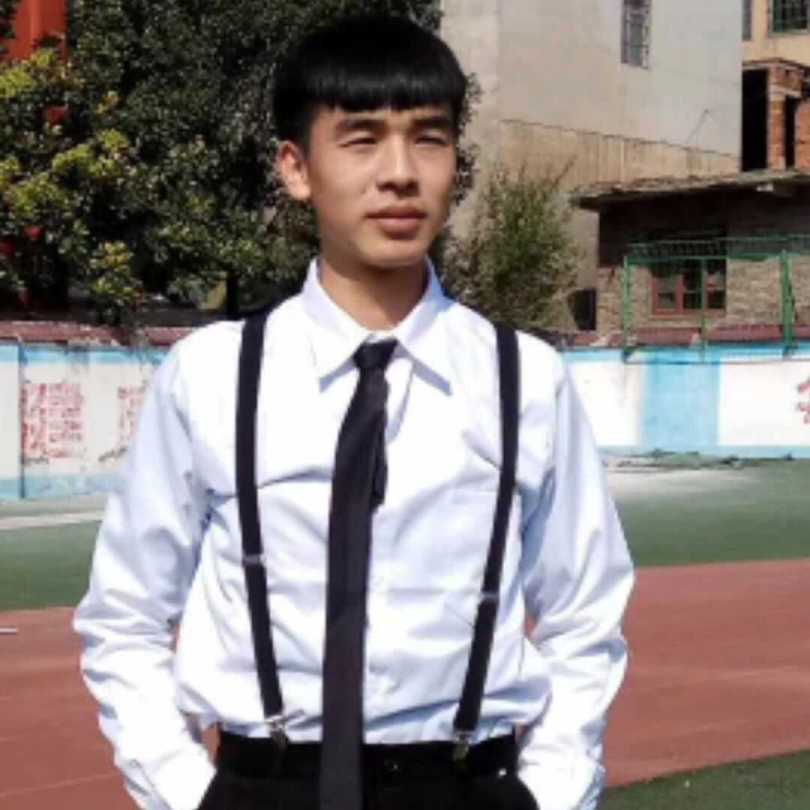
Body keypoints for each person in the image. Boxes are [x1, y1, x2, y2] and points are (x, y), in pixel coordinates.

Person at [74, 14, 634, 810]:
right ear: (296, 168)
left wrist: (549, 791)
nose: (400, 174)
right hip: (266, 785)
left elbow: (585, 615)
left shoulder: (525, 379)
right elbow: (126, 614)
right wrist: (185, 790)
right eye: (362, 140)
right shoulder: (213, 375)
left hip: (465, 784)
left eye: (429, 140)